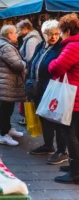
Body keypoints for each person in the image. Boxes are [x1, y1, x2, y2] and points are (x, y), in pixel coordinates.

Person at [26, 20, 68, 164]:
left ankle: (62, 151)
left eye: (56, 34)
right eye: (50, 34)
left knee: (56, 120)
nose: (53, 37)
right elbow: (33, 63)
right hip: (38, 87)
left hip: (53, 89)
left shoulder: (61, 48)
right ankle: (48, 145)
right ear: (44, 34)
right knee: (44, 117)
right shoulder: (40, 45)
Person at [48, 13, 79, 184]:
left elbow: (56, 68)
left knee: (70, 133)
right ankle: (75, 166)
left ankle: (75, 172)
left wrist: (52, 62)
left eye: (60, 31)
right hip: (75, 94)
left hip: (73, 97)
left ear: (66, 30)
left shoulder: (73, 46)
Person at [0, 25, 26, 146]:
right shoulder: (6, 48)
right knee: (6, 109)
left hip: (6, 81)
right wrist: (25, 63)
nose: (17, 35)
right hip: (6, 82)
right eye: (15, 33)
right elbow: (17, 65)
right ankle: (3, 134)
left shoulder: (3, 45)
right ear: (9, 35)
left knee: (8, 107)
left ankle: (8, 129)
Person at [16, 19, 42, 126]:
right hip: (30, 73)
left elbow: (30, 58)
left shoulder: (31, 40)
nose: (18, 32)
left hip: (30, 73)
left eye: (19, 30)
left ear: (25, 29)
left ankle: (29, 119)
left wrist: (24, 69)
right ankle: (29, 118)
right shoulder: (30, 38)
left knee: (28, 97)